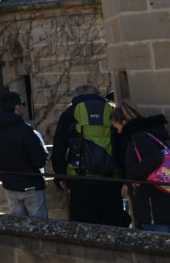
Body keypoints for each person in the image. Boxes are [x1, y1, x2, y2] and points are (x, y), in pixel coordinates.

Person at [51, 85, 129, 226]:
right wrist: (125, 177)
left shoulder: (70, 112)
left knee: (83, 226)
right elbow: (123, 145)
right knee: (113, 225)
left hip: (79, 178)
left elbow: (59, 147)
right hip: (111, 178)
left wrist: (60, 175)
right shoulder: (112, 110)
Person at [113, 101, 170, 231]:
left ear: (124, 122)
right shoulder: (149, 133)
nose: (119, 132)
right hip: (157, 200)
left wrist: (132, 176)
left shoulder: (139, 137)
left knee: (159, 241)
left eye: (117, 127)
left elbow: (154, 159)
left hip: (152, 203)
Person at [0, 92, 50, 218]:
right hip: (31, 185)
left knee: (19, 226)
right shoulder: (25, 130)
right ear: (17, 107)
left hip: (10, 185)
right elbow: (39, 161)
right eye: (23, 104)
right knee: (40, 226)